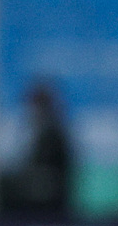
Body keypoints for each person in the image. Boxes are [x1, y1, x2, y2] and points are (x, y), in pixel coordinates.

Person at [11, 80, 75, 215]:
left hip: (50, 205)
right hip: (34, 199)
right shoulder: (31, 130)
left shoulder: (54, 133)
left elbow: (54, 174)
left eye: (36, 105)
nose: (31, 110)